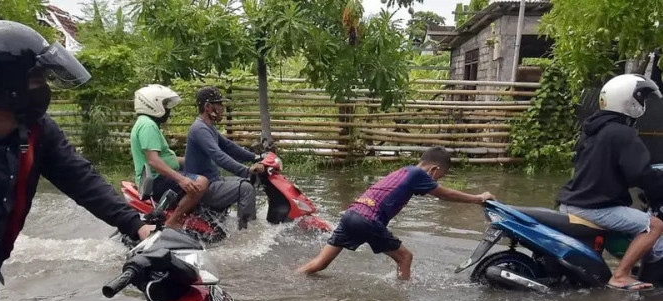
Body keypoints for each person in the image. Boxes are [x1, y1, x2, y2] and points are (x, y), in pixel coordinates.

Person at [0, 20, 154, 301]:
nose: (45, 87)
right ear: (5, 85)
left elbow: (80, 178)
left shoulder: (38, 131)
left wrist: (139, 226)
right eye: (37, 79)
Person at [297, 147, 495, 280]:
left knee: (320, 263)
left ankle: (295, 277)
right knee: (405, 258)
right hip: (368, 219)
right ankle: (400, 299)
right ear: (434, 169)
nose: (436, 181)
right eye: (439, 177)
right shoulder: (419, 175)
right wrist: (479, 198)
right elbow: (445, 194)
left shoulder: (405, 171)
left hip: (352, 214)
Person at [557, 73, 663, 291]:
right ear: (628, 100)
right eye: (641, 98)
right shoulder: (623, 133)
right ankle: (621, 275)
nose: (642, 103)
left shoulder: (592, 131)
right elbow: (641, 174)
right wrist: (658, 195)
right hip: (594, 208)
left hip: (570, 203)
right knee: (654, 226)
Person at [184, 86, 265, 230]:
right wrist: (246, 171)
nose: (222, 108)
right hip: (206, 187)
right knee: (245, 188)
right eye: (219, 105)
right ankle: (248, 234)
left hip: (213, 181)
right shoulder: (200, 129)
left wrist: (257, 157)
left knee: (245, 182)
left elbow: (229, 146)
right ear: (208, 107)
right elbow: (218, 155)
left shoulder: (208, 127)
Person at [131, 84, 208, 229]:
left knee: (200, 172)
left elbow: (166, 158)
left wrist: (195, 161)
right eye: (165, 104)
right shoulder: (148, 126)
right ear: (152, 104)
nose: (168, 110)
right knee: (201, 182)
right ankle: (173, 222)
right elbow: (154, 161)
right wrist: (181, 179)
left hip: (156, 177)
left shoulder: (147, 123)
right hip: (155, 180)